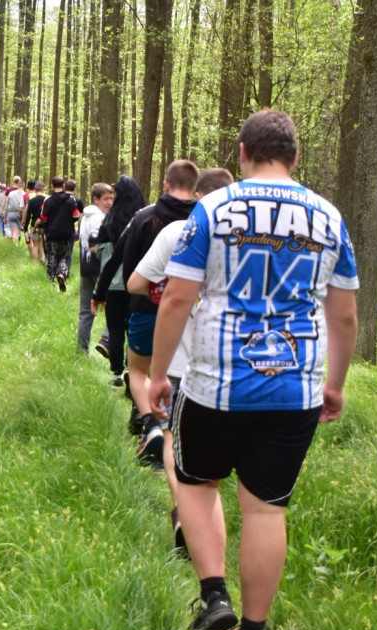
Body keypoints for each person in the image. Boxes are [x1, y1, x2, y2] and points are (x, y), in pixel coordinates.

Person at [147, 110, 358, 630]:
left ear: (242, 152)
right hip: (296, 388)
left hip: (217, 382)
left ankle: (214, 594)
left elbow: (175, 298)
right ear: (295, 155)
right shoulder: (330, 218)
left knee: (195, 482)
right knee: (266, 510)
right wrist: (333, 384)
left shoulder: (212, 209)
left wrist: (155, 374)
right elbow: (344, 317)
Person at [127, 167, 234, 552]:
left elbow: (134, 283)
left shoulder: (177, 233)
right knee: (214, 468)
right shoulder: (250, 237)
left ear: (197, 196)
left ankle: (183, 516)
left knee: (177, 443)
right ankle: (206, 543)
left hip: (181, 363)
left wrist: (164, 286)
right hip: (232, 366)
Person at [100, 160, 200, 465]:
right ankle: (180, 440)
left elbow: (130, 266)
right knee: (182, 371)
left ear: (166, 184)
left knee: (141, 372)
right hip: (191, 313)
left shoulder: (144, 217)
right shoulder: (206, 219)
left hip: (145, 306)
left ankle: (152, 425)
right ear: (195, 188)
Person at [90, 175, 147, 385]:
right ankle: (131, 368)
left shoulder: (110, 219)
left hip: (114, 283)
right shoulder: (146, 217)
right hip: (139, 283)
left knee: (115, 329)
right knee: (134, 327)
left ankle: (116, 372)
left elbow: (98, 250)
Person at [77, 182, 114, 353]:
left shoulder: (85, 216)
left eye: (111, 198)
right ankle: (106, 339)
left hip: (85, 268)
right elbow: (93, 246)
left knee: (85, 311)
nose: (109, 202)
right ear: (96, 199)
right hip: (100, 269)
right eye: (105, 199)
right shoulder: (99, 218)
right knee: (115, 308)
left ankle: (82, 350)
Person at [36, 176, 80, 292]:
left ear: (51, 186)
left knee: (51, 256)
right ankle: (61, 274)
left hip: (51, 233)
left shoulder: (48, 200)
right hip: (66, 233)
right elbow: (76, 215)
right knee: (65, 257)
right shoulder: (71, 199)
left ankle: (50, 282)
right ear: (64, 186)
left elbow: (43, 217)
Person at [21, 181, 47, 262]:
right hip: (44, 225)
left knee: (35, 245)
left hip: (33, 225)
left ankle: (35, 262)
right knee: (43, 245)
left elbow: (28, 215)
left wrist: (25, 227)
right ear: (43, 190)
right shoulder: (46, 200)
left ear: (35, 191)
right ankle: (42, 259)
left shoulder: (31, 201)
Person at [6, 176, 27, 245]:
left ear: (18, 186)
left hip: (11, 213)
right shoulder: (25, 194)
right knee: (18, 230)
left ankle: (14, 244)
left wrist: (5, 215)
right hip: (21, 214)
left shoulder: (11, 193)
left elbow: (7, 203)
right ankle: (16, 243)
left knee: (14, 231)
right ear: (24, 186)